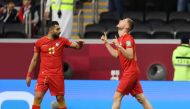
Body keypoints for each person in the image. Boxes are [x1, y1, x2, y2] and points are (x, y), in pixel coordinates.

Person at [26, 21, 84, 109]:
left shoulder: (62, 41)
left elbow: (76, 46)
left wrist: (79, 45)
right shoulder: (39, 42)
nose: (60, 31)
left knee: (60, 99)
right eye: (57, 29)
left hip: (57, 75)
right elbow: (34, 59)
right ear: (51, 30)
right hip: (44, 75)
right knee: (37, 96)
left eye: (60, 29)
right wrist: (29, 75)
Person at [101, 18, 153, 109]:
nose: (120, 20)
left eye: (123, 20)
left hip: (130, 72)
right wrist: (106, 43)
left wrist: (119, 46)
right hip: (131, 72)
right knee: (141, 98)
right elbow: (116, 54)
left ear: (126, 27)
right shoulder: (120, 39)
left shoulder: (128, 39)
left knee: (117, 97)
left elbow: (130, 55)